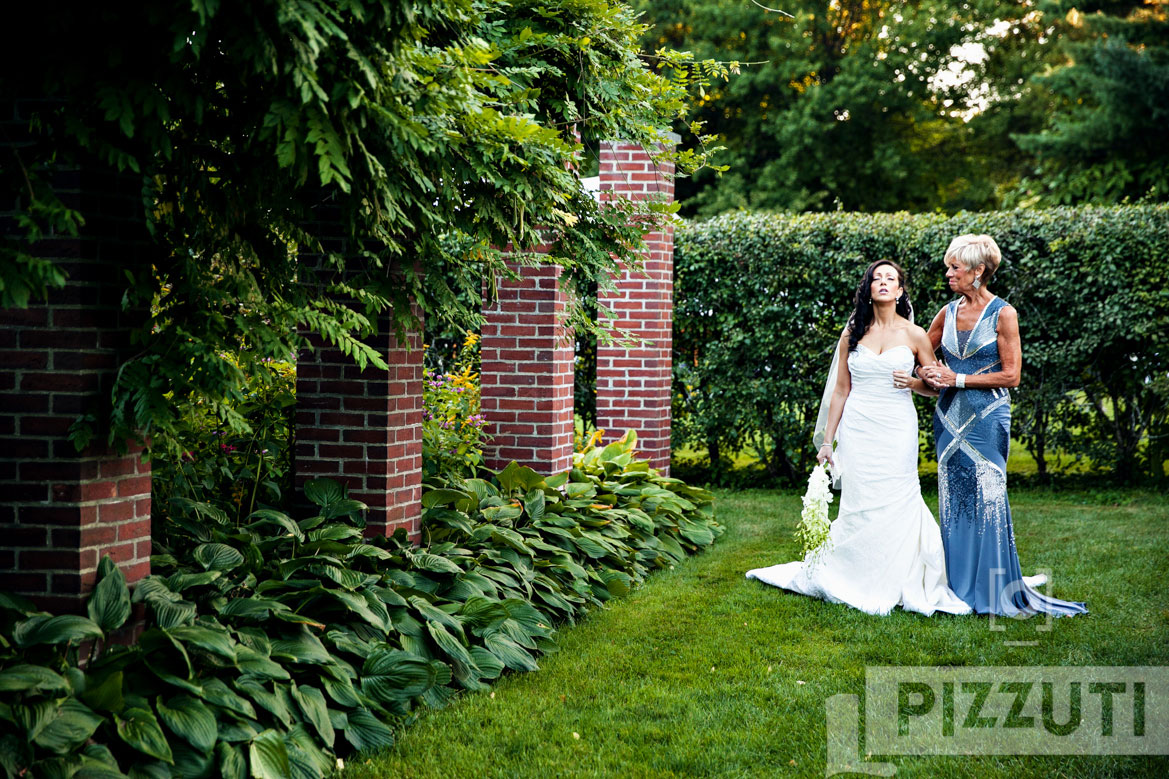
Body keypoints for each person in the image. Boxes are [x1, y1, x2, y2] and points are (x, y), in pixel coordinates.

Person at [746, 260, 971, 617]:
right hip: (858, 427)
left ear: (899, 291)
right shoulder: (852, 335)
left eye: (890, 279)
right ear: (869, 289)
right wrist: (827, 442)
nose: (883, 282)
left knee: (897, 494)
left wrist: (914, 383)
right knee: (860, 498)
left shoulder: (914, 334)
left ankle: (898, 574)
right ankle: (855, 572)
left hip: (897, 425)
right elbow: (840, 391)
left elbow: (935, 386)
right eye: (876, 278)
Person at [920, 235, 1087, 617]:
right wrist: (926, 372)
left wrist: (957, 379)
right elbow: (922, 353)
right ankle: (956, 586)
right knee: (955, 499)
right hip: (948, 419)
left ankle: (993, 587)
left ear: (978, 271)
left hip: (987, 419)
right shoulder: (946, 313)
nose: (948, 274)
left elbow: (1012, 375)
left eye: (955, 268)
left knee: (989, 497)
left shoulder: (1003, 313)